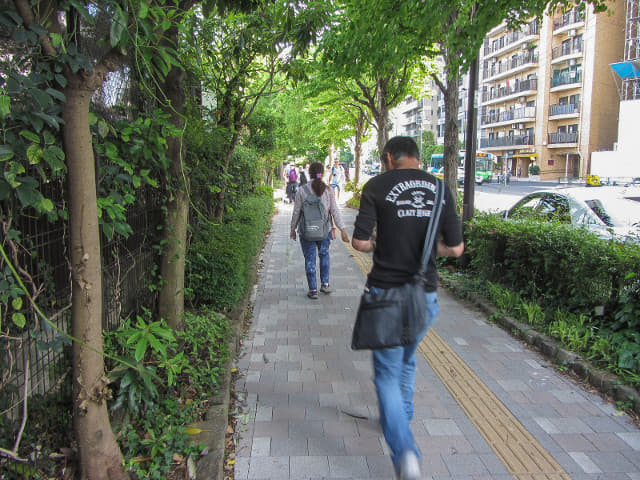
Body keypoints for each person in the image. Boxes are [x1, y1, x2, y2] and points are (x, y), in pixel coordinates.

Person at [352, 136, 464, 480]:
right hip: (423, 297)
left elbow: (359, 242)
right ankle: (404, 414)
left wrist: (378, 244)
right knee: (408, 359)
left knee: (386, 374)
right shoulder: (441, 188)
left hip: (385, 294)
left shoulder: (376, 185)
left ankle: (405, 453)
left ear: (389, 158)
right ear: (416, 158)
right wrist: (431, 253)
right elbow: (456, 249)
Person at [290, 162, 349, 299]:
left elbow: (296, 212)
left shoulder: (302, 190)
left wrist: (292, 228)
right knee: (324, 255)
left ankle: (313, 290)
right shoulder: (328, 190)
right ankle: (325, 284)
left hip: (307, 231)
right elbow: (335, 211)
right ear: (322, 173)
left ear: (309, 173)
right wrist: (343, 229)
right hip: (325, 230)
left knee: (310, 259)